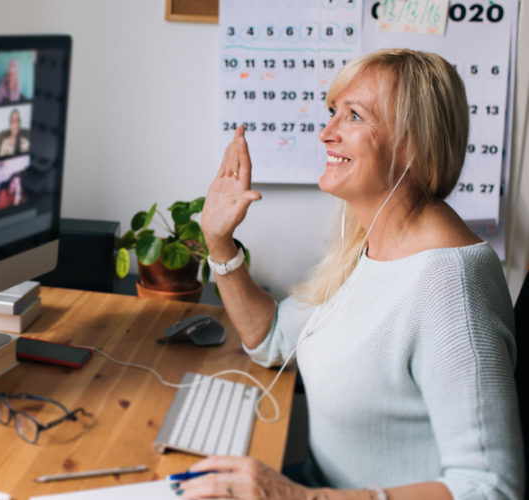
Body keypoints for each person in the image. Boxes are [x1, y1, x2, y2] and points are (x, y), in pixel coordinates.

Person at [178, 49, 523, 500]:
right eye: (331, 113)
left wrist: (299, 497)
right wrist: (219, 242)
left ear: (413, 143)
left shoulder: (450, 286)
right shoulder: (367, 242)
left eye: (354, 116)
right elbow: (274, 339)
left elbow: (491, 488)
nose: (326, 133)